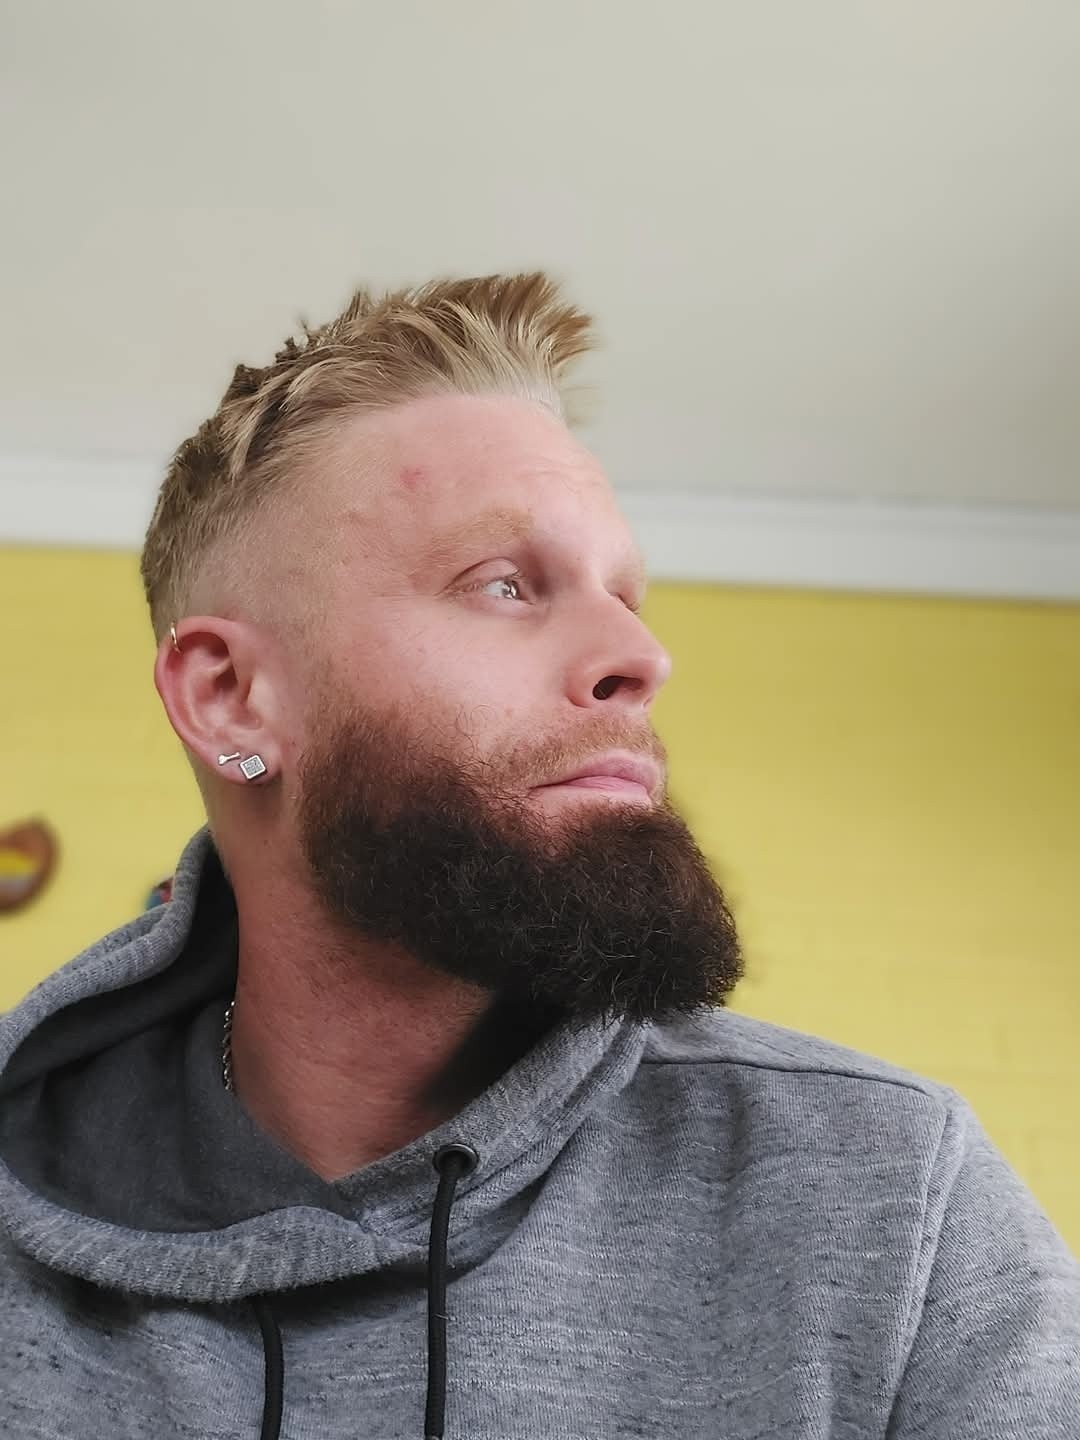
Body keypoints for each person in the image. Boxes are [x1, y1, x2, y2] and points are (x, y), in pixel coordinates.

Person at [0, 273, 1076, 1440]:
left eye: (627, 596)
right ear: (230, 698)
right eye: (506, 585)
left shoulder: (894, 1201)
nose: (641, 657)